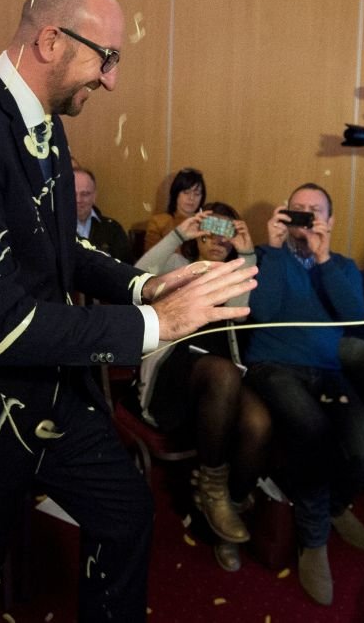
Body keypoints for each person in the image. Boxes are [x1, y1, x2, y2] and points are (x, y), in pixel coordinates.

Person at [0, 0, 256, 622]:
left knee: (127, 510)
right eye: (105, 57)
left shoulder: (46, 126)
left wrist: (146, 282)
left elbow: (63, 250)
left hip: (44, 389)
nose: (112, 78)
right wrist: (153, 322)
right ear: (51, 39)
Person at [244, 183, 364, 605]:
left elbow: (354, 314)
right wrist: (271, 250)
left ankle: (334, 506)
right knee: (313, 430)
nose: (304, 219)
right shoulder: (269, 258)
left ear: (330, 220)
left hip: (326, 371)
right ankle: (314, 540)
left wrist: (322, 257)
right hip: (273, 366)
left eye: (313, 212)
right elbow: (263, 312)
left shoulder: (341, 265)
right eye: (297, 211)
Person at [136, 202, 270, 573]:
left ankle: (224, 514)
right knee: (224, 374)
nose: (216, 238)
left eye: (225, 232)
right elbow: (134, 274)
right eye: (209, 228)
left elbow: (239, 319)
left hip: (219, 377)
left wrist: (246, 252)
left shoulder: (233, 275)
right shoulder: (178, 266)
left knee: (258, 422)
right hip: (172, 373)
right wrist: (179, 235)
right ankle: (213, 493)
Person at [74, 166, 133, 263]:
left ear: (94, 196)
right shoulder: (54, 230)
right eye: (73, 194)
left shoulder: (113, 229)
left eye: (85, 194)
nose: (78, 200)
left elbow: (128, 269)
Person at [144, 167, 206, 249]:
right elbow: (151, 258)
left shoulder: (206, 223)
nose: (191, 198)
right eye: (186, 192)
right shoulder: (159, 222)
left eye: (197, 194)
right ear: (176, 193)